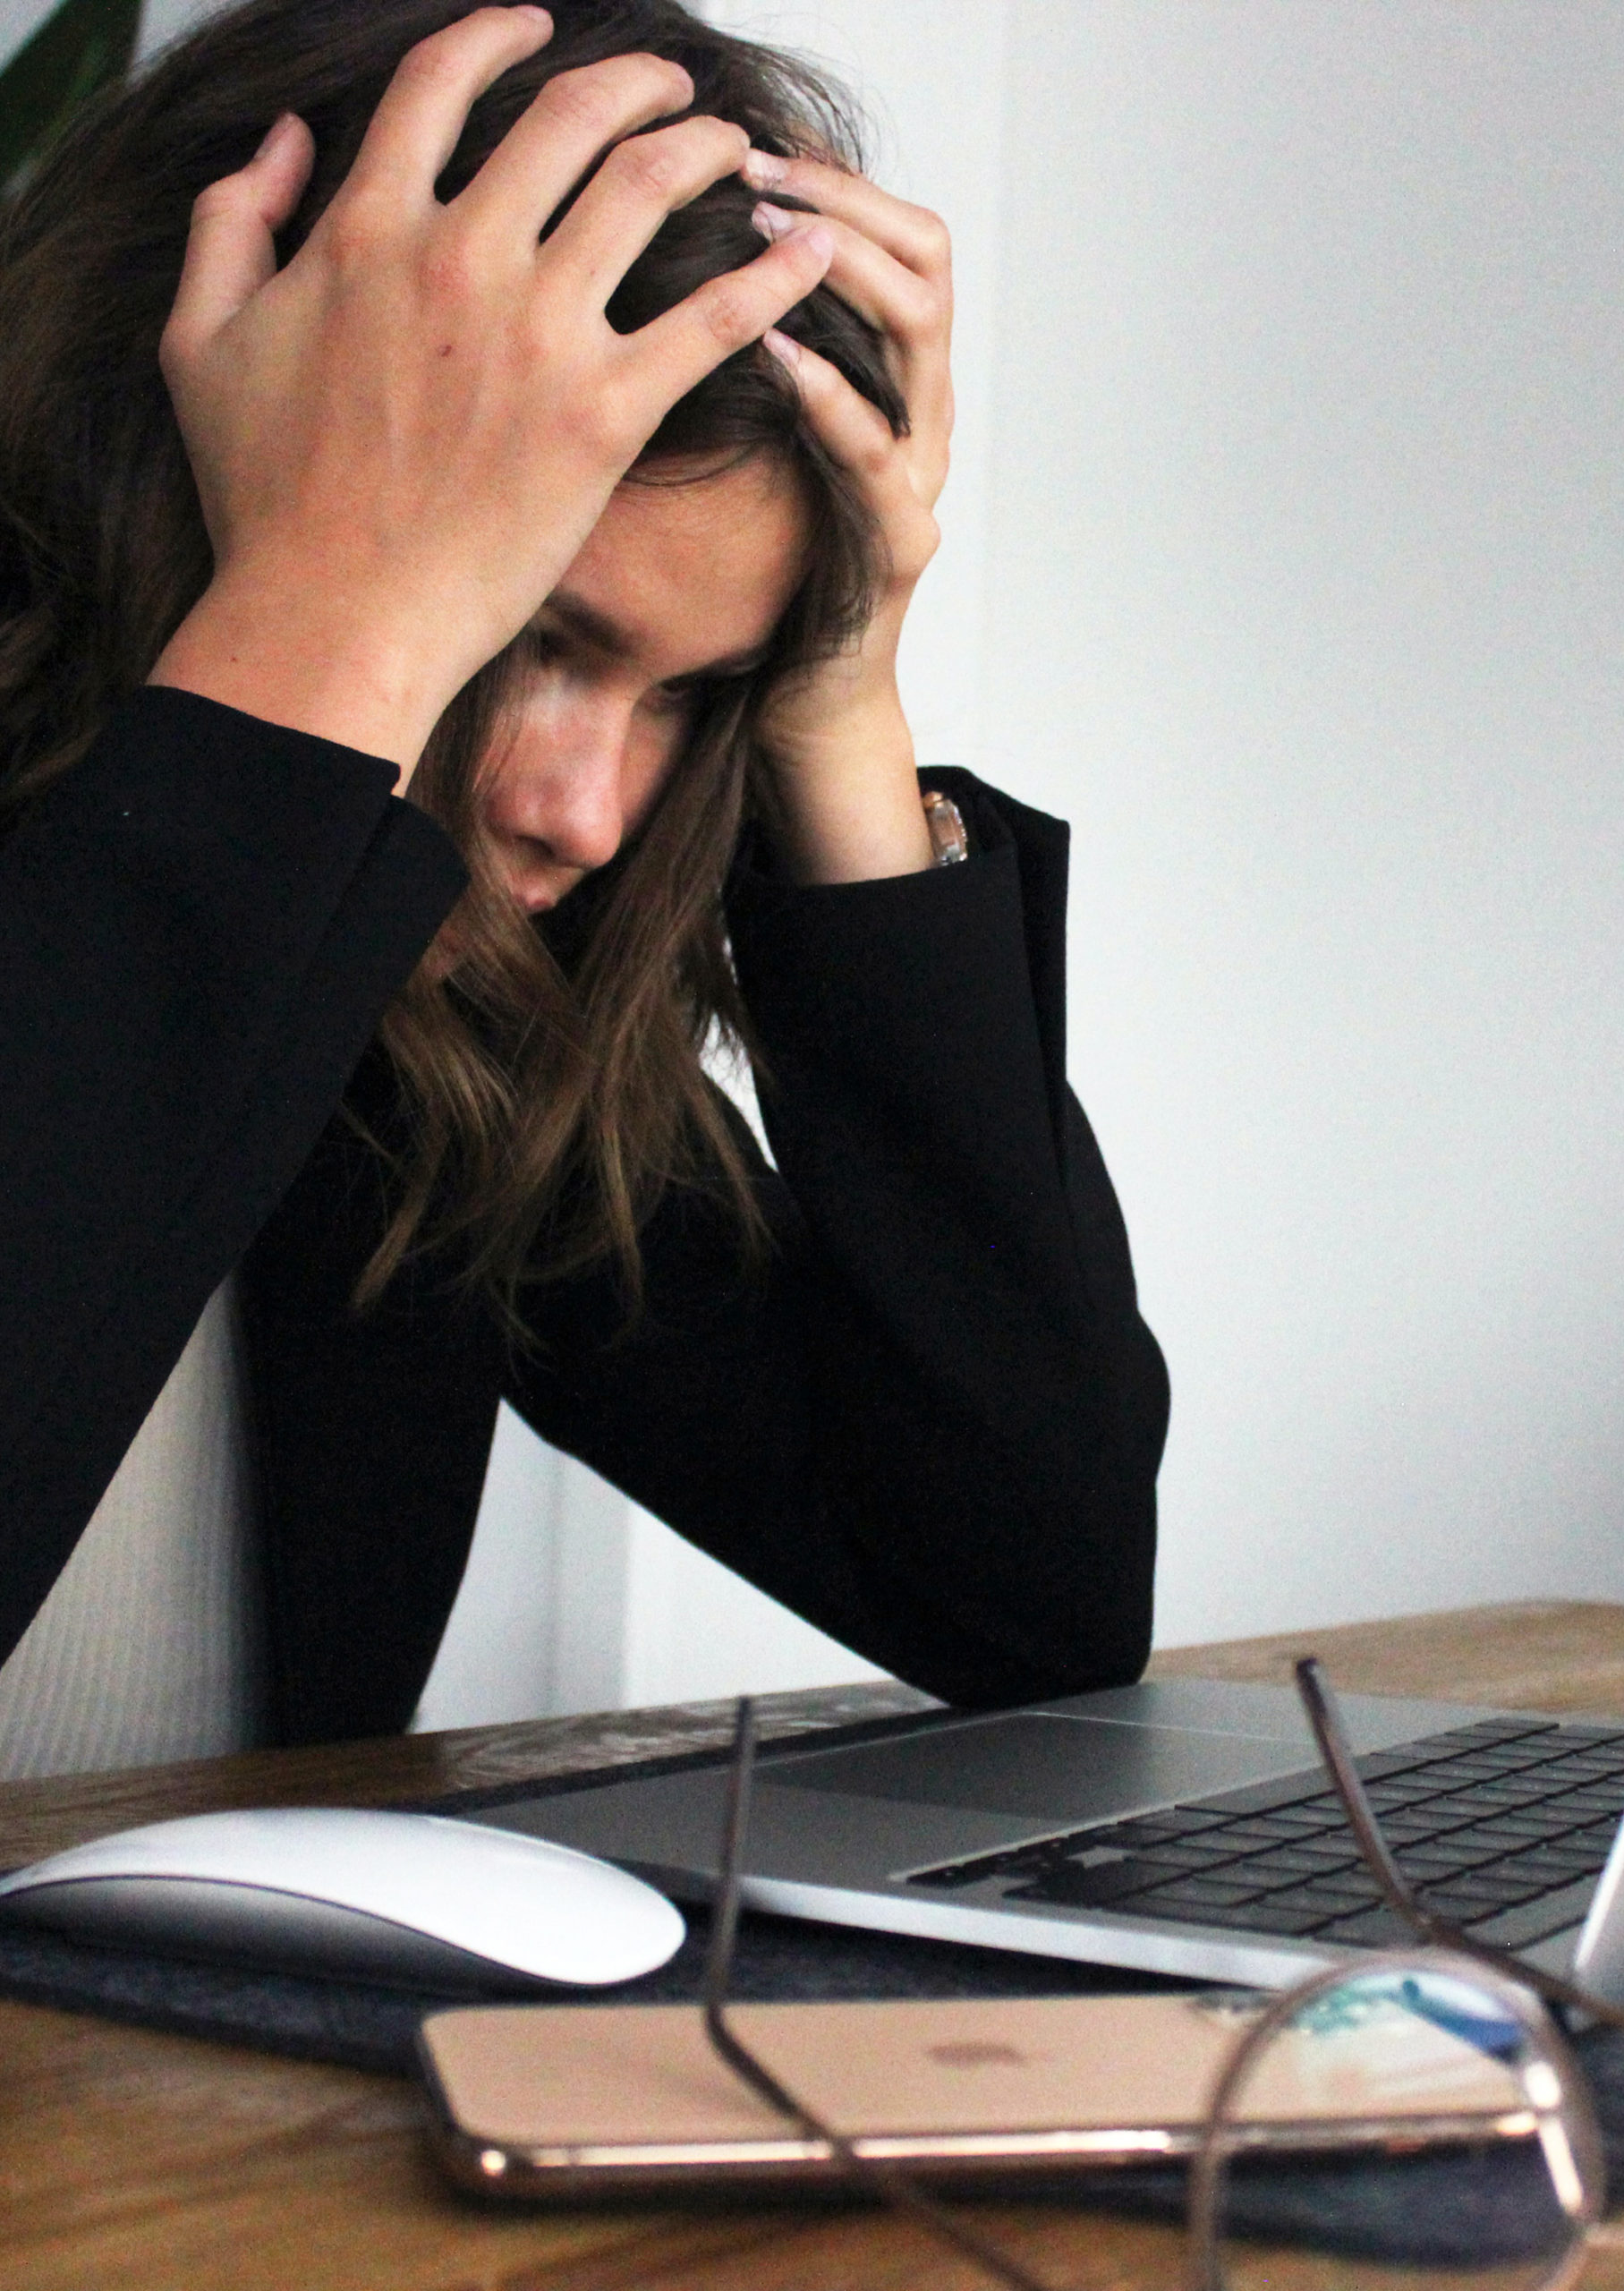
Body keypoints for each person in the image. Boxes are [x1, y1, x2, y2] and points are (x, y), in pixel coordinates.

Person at [0, 0, 1169, 1776]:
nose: (585, 814)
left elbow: (1029, 1595)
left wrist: (840, 694)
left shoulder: (436, 1042)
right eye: (530, 627)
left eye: (693, 692)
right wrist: (334, 615)